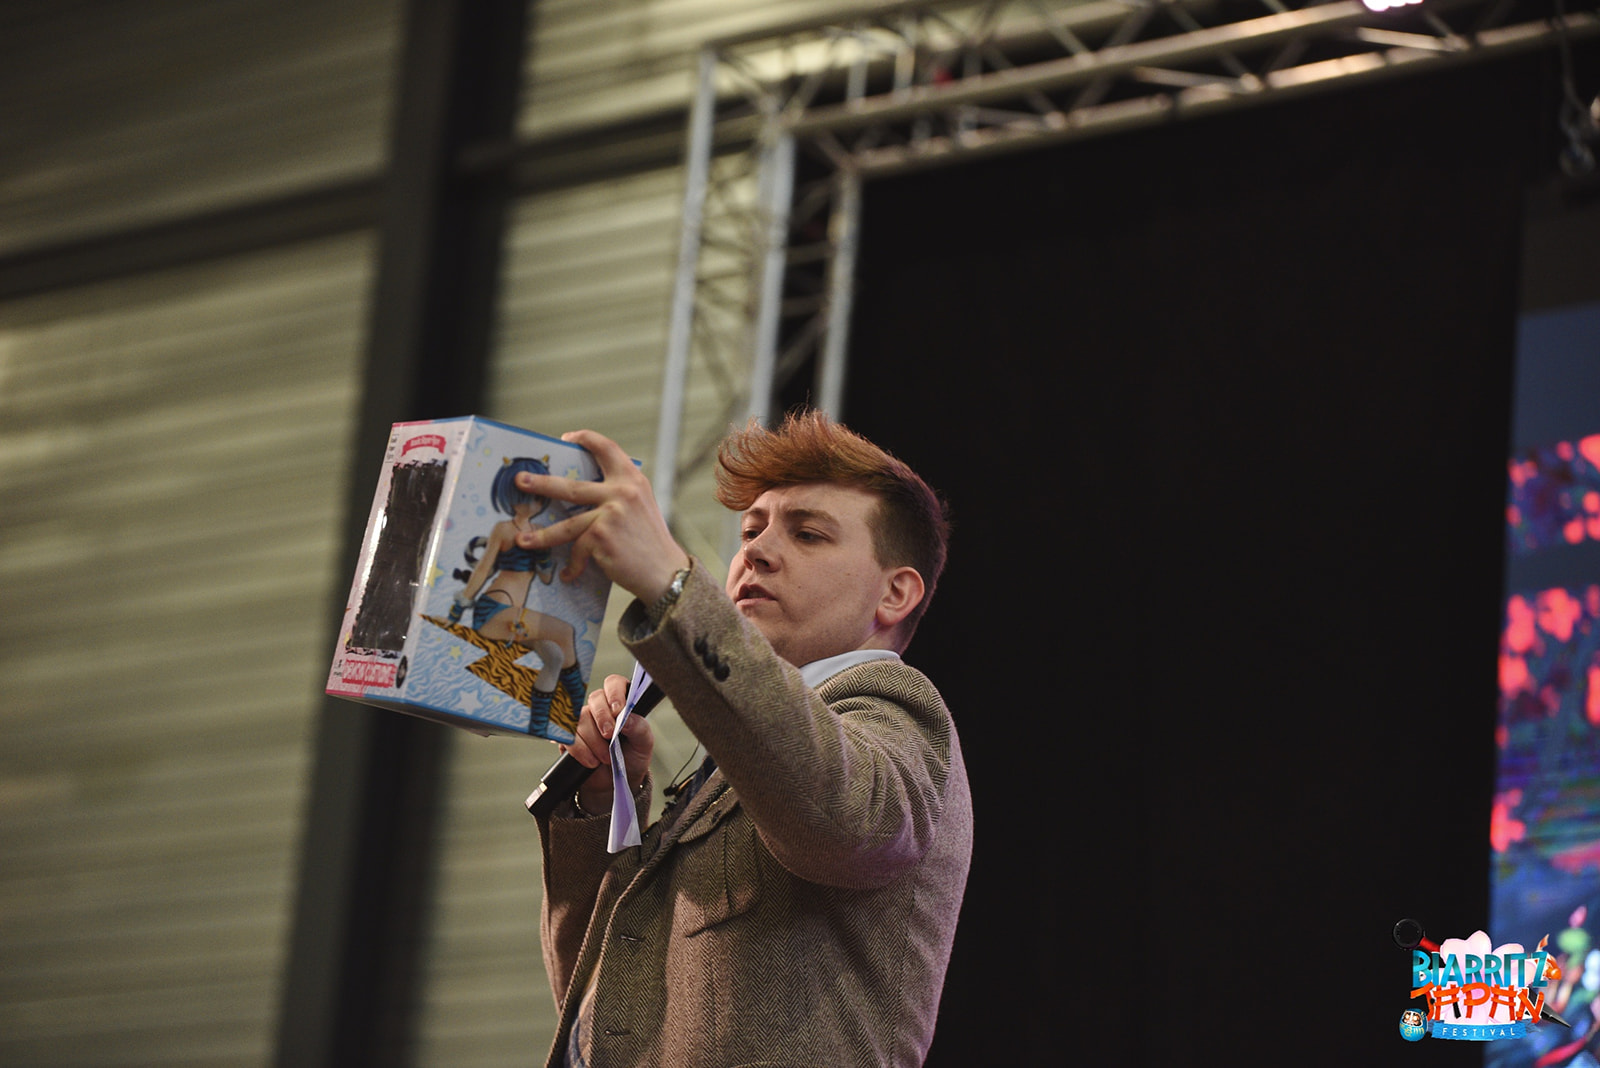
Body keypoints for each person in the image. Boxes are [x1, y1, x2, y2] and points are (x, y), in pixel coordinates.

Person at [514, 410, 972, 1068]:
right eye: (750, 530)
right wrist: (599, 802)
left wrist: (670, 582)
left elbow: (842, 819)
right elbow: (604, 1010)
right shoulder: (740, 763)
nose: (755, 550)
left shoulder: (895, 707)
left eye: (808, 534)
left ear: (895, 593)